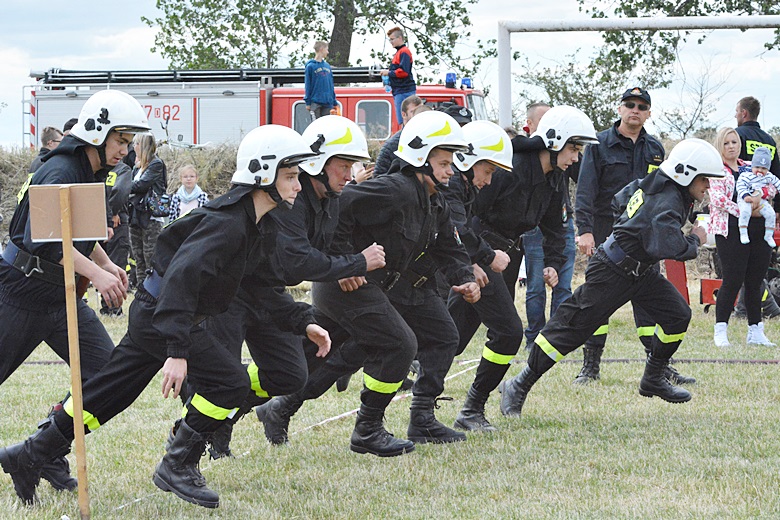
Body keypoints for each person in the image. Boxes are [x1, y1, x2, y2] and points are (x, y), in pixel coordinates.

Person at [0, 125, 318, 509]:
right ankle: (178, 463)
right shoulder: (228, 224)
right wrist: (177, 350)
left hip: (156, 313)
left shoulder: (255, 223)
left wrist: (302, 319)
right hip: (161, 313)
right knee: (228, 384)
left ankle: (31, 453)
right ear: (263, 174)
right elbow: (180, 282)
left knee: (108, 393)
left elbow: (255, 288)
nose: (298, 186)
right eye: (291, 176)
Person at [257, 111, 479, 455]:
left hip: (370, 284)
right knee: (398, 344)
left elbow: (447, 246)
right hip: (346, 283)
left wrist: (464, 278)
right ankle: (367, 430)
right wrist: (346, 262)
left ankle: (280, 408)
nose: (452, 169)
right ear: (421, 158)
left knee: (334, 354)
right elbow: (341, 207)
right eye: (445, 162)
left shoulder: (434, 200)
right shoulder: (395, 189)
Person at [499, 138, 726, 420]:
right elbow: (667, 247)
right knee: (569, 330)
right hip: (612, 271)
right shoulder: (667, 198)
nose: (707, 186)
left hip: (639, 271)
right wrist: (694, 239)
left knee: (677, 314)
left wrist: (631, 232)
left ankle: (653, 378)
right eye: (704, 179)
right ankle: (518, 385)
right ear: (685, 173)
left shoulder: (659, 184)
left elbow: (620, 200)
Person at [204, 115, 380, 458]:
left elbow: (318, 250)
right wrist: (356, 263)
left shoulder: (330, 201)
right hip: (231, 294)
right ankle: (196, 437)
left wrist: (341, 265)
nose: (349, 175)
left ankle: (230, 413)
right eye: (343, 166)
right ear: (318, 163)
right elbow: (296, 260)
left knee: (289, 374)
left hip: (267, 294)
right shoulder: (290, 201)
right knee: (222, 376)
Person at [0, 89, 149, 495]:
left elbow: (77, 231)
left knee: (106, 375)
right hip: (21, 292)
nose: (126, 150)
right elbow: (45, 241)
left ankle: (39, 451)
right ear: (98, 133)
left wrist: (104, 263)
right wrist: (97, 277)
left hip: (61, 295)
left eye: (129, 142)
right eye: (121, 140)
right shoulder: (60, 170)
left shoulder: (92, 168)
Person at [573, 87, 691, 386]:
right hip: (605, 231)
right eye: (629, 104)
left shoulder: (654, 148)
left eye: (641, 106)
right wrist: (585, 231)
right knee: (598, 298)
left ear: (649, 112)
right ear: (619, 108)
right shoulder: (599, 144)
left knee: (649, 297)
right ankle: (590, 366)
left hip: (644, 237)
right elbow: (585, 190)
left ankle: (658, 365)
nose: (634, 110)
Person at [443, 120, 522, 432]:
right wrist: (485, 257)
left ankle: (428, 413)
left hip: (464, 263)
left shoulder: (461, 186)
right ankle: (470, 409)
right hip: (461, 263)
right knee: (507, 331)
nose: (489, 181)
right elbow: (454, 227)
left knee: (447, 338)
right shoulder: (452, 186)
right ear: (467, 159)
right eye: (488, 171)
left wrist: (472, 262)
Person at [709, 129, 776, 347]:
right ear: (720, 145)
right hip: (730, 229)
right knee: (732, 280)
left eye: (734, 142)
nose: (731, 146)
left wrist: (759, 199)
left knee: (756, 280)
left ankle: (756, 330)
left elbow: (770, 187)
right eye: (726, 142)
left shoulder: (751, 165)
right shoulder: (716, 170)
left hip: (758, 228)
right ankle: (721, 329)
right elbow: (717, 198)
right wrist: (743, 210)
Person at [519, 102, 578, 346]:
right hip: (532, 225)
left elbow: (584, 178)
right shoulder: (521, 160)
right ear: (530, 125)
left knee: (562, 282)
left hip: (560, 220)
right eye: (544, 122)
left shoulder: (565, 152)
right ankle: (534, 336)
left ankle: (557, 336)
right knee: (535, 285)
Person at [128, 133, 167, 287]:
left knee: (150, 256)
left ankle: (153, 292)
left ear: (142, 145)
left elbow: (140, 185)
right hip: (136, 215)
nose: (133, 147)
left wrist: (122, 186)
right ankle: (140, 291)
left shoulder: (156, 164)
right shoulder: (136, 167)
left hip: (150, 216)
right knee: (138, 257)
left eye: (135, 143)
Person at [101, 158, 134, 316]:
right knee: (116, 263)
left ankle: (104, 306)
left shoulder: (100, 169)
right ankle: (114, 308)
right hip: (117, 221)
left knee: (101, 263)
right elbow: (121, 192)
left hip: (97, 219)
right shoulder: (123, 169)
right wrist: (113, 212)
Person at [736, 146, 780, 246]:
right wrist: (745, 195)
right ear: (752, 166)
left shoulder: (769, 176)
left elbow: (777, 183)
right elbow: (740, 185)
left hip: (762, 201)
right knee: (745, 211)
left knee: (771, 214)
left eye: (763, 168)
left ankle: (768, 235)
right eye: (757, 167)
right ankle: (743, 232)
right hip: (746, 199)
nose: (760, 170)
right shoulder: (746, 175)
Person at [374, 95, 423, 176]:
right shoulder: (391, 146)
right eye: (413, 112)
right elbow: (378, 177)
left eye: (421, 111)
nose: (418, 115)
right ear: (404, 115)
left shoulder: (430, 140)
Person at [735, 96, 780, 176]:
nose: (735, 115)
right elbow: (776, 173)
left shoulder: (736, 135)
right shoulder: (770, 141)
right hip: (765, 187)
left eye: (737, 111)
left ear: (744, 113)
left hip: (740, 186)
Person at [380, 26, 416, 126]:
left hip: (404, 90)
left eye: (392, 39)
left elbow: (404, 72)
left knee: (405, 120)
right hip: (400, 90)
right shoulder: (399, 53)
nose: (391, 42)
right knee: (403, 120)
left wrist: (389, 73)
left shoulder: (404, 52)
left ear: (399, 38)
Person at [304, 41, 337, 121]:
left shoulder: (327, 66)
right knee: (316, 124)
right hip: (315, 102)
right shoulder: (310, 66)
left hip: (327, 102)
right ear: (321, 49)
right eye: (326, 49)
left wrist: (333, 101)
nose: (327, 52)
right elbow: (308, 85)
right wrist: (308, 102)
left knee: (326, 124)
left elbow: (330, 84)